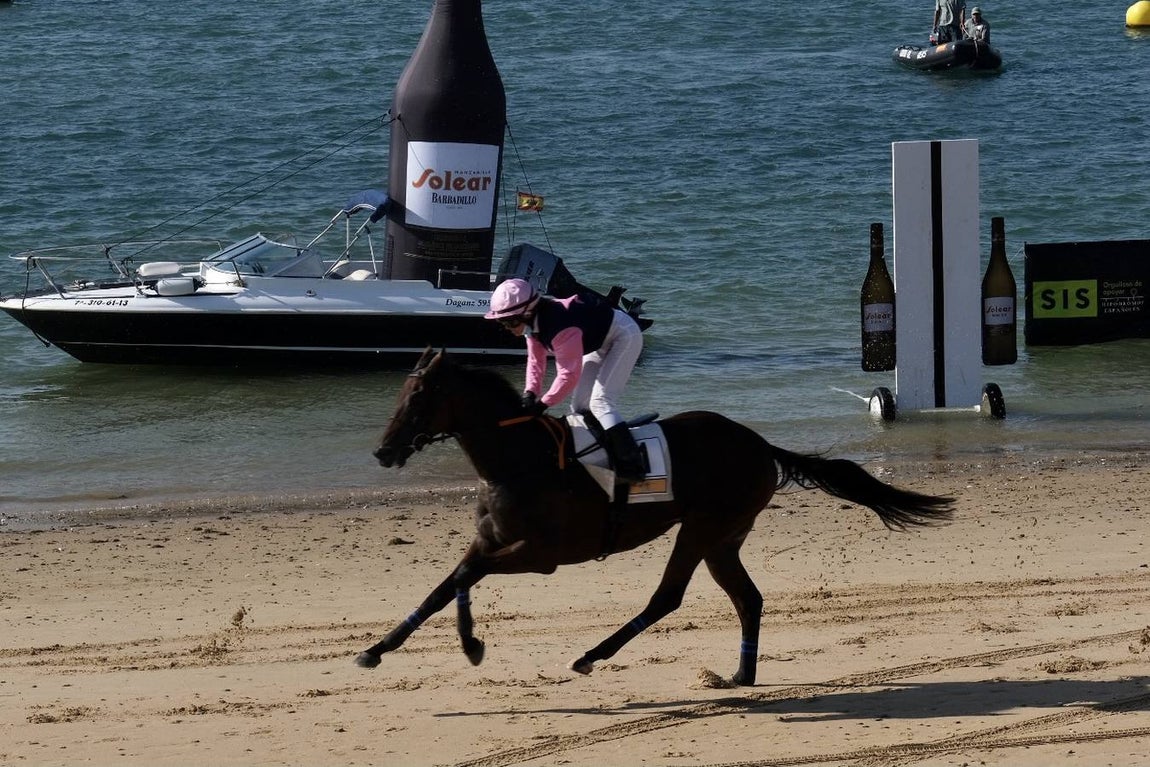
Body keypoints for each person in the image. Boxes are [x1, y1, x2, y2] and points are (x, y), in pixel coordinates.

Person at [486, 278, 646, 483]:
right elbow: (536, 363)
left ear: (526, 313)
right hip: (600, 342)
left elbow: (569, 375)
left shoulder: (559, 326)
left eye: (508, 321)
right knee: (579, 407)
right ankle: (601, 453)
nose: (506, 327)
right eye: (502, 322)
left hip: (624, 335)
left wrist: (543, 404)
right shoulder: (533, 326)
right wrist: (530, 394)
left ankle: (633, 465)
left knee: (601, 402)